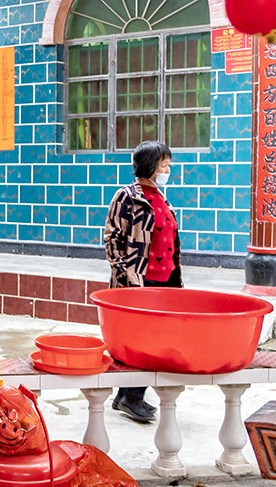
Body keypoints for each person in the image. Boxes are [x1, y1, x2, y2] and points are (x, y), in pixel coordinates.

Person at [103, 140, 183, 424]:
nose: (168, 170)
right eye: (164, 165)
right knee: (143, 341)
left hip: (166, 281)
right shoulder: (127, 196)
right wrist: (125, 277)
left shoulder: (160, 196)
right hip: (140, 281)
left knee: (158, 340)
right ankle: (131, 396)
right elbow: (113, 238)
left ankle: (126, 395)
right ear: (150, 166)